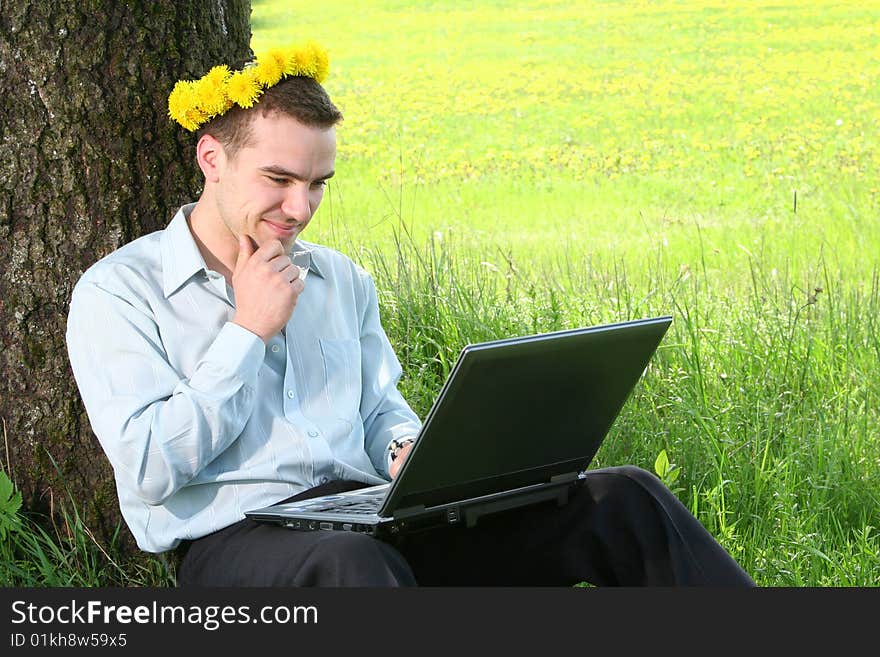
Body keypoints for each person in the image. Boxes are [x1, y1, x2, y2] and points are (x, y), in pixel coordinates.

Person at [66, 42, 755, 587]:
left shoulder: (340, 279)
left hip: (370, 521)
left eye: (316, 185)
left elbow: (378, 412)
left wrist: (407, 453)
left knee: (621, 500)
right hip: (234, 544)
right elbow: (152, 469)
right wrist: (248, 331)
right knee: (353, 566)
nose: (300, 209)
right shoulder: (120, 292)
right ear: (212, 158)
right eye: (278, 180)